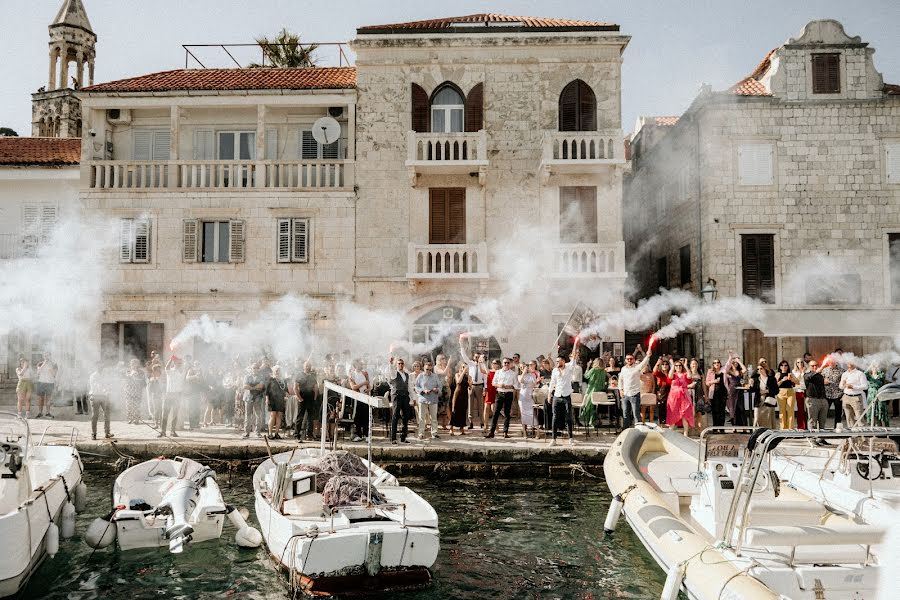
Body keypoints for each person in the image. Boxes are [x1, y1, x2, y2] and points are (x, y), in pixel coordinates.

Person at [547, 339, 580, 446]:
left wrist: (575, 344)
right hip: (557, 396)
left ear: (563, 361)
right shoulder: (555, 371)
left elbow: (574, 356)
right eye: (556, 361)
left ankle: (571, 438)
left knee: (568, 417)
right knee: (555, 417)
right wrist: (549, 394)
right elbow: (552, 383)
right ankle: (554, 439)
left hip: (566, 396)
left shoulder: (569, 367)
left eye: (558, 361)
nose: (556, 363)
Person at [619, 342, 653, 429]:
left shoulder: (637, 367)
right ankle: (625, 430)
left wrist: (648, 356)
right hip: (625, 394)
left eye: (631, 359)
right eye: (628, 359)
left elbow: (644, 363)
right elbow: (620, 380)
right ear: (625, 360)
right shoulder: (623, 369)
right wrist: (620, 390)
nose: (629, 360)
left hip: (635, 394)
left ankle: (638, 430)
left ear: (633, 359)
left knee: (636, 414)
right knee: (625, 413)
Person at [487, 357, 520, 439]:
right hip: (499, 393)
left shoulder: (513, 373)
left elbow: (516, 385)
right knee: (495, 413)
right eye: (505, 362)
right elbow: (493, 383)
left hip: (508, 393)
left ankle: (505, 432)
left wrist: (510, 386)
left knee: (507, 413)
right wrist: (499, 385)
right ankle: (492, 432)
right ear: (502, 363)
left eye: (507, 363)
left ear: (510, 364)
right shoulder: (498, 372)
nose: (506, 364)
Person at [460, 337, 486, 429]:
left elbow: (485, 377)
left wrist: (484, 388)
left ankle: (482, 422)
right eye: (476, 357)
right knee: (470, 405)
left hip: (479, 386)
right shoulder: (470, 363)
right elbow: (464, 356)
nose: (477, 358)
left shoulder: (483, 365)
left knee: (480, 405)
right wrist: (461, 346)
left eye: (478, 357)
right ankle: (471, 423)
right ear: (473, 357)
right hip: (471, 386)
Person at [388, 355, 413, 444]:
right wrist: (391, 363)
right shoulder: (394, 373)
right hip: (397, 396)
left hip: (405, 396)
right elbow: (391, 370)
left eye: (402, 363)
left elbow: (409, 387)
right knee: (395, 416)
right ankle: (393, 438)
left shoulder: (407, 375)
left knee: (405, 417)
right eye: (399, 363)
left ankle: (403, 437)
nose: (400, 365)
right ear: (397, 365)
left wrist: (413, 399)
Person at [666, 360, 694, 435]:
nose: (678, 367)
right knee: (673, 415)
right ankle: (670, 434)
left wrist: (685, 365)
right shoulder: (673, 374)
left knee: (685, 414)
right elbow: (669, 376)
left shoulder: (685, 374)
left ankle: (686, 434)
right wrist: (672, 365)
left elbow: (690, 376)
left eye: (680, 365)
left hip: (684, 397)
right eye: (677, 366)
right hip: (673, 398)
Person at [160, 356, 186, 437]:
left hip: (177, 394)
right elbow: (167, 367)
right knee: (165, 414)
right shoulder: (170, 371)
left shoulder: (182, 371)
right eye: (178, 363)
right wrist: (171, 359)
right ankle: (163, 431)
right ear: (174, 363)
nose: (179, 364)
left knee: (175, 414)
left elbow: (182, 368)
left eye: (180, 363)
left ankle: (172, 431)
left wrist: (177, 361)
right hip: (169, 394)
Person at [415, 362, 442, 440]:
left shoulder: (435, 376)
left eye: (430, 369)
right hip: (423, 399)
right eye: (427, 369)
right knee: (421, 418)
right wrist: (423, 390)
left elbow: (440, 386)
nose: (428, 371)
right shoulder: (420, 376)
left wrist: (437, 389)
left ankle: (434, 433)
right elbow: (416, 387)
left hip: (433, 399)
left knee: (434, 418)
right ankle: (421, 434)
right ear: (424, 368)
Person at [294, 361, 319, 441]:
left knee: (310, 418)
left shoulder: (313, 376)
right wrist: (299, 398)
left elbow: (315, 388)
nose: (308, 367)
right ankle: (297, 435)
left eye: (309, 366)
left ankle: (309, 435)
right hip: (302, 397)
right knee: (300, 417)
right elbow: (295, 387)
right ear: (303, 366)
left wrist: (315, 398)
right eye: (306, 366)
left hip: (311, 398)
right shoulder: (299, 375)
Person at [750, 359, 778, 429]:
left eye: (761, 368)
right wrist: (751, 385)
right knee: (757, 418)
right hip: (758, 400)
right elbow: (752, 390)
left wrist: (767, 391)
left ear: (765, 369)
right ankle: (756, 433)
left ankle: (768, 434)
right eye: (758, 369)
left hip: (768, 400)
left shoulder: (771, 379)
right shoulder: (756, 379)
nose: (759, 370)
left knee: (768, 419)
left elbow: (776, 390)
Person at [348, 360, 372, 442]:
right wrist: (363, 383)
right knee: (357, 417)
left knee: (366, 417)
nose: (361, 365)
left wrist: (368, 389)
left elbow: (369, 386)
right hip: (357, 398)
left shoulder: (365, 374)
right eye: (359, 364)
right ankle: (358, 434)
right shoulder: (352, 375)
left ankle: (366, 435)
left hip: (365, 397)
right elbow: (353, 387)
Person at [88, 363, 113, 440]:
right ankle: (94, 434)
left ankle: (107, 433)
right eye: (99, 366)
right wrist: (105, 390)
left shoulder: (106, 375)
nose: (100, 368)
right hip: (95, 396)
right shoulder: (93, 376)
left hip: (104, 397)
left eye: (101, 366)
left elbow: (108, 384)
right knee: (95, 416)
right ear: (96, 367)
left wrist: (108, 390)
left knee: (107, 415)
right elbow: (96, 385)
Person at [580, 358, 607, 429]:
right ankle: (591, 421)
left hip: (591, 390)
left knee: (587, 405)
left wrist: (588, 366)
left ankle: (584, 420)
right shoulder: (604, 372)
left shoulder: (594, 370)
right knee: (594, 407)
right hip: (599, 390)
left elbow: (586, 376)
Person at [839, 361, 868, 427]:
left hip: (856, 397)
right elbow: (840, 387)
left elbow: (865, 386)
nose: (850, 363)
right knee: (849, 418)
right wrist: (843, 384)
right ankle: (852, 435)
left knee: (859, 417)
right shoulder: (844, 374)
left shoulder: (860, 374)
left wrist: (853, 387)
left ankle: (862, 435)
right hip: (846, 397)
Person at [242, 361, 266, 439]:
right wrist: (255, 387)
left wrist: (251, 387)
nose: (255, 369)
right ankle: (246, 432)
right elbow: (245, 386)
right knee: (247, 415)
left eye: (256, 368)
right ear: (251, 369)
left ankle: (257, 432)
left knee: (258, 415)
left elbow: (261, 386)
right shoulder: (247, 376)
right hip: (248, 397)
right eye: (253, 368)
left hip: (258, 397)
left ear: (258, 369)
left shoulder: (261, 376)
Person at [803, 359, 828, 430]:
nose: (814, 367)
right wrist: (817, 371)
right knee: (812, 421)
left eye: (816, 365)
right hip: (812, 400)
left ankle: (821, 438)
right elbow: (809, 377)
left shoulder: (820, 375)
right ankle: (812, 439)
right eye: (812, 366)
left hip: (822, 399)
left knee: (822, 421)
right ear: (809, 367)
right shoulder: (806, 375)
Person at [821, 356, 845, 428]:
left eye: (833, 362)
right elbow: (820, 380)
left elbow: (843, 382)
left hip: (838, 394)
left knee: (838, 412)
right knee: (824, 412)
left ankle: (837, 428)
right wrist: (823, 382)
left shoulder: (842, 371)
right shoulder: (824, 370)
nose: (831, 363)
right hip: (827, 394)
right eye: (830, 362)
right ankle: (822, 428)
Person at [265, 366, 288, 439]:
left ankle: (276, 433)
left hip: (280, 400)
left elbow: (286, 390)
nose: (277, 372)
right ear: (273, 371)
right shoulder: (270, 380)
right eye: (276, 370)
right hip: (272, 400)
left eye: (278, 370)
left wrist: (286, 395)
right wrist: (267, 400)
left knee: (279, 416)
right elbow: (267, 392)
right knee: (273, 415)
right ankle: (270, 433)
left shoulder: (283, 380)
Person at [706, 357, 729, 427]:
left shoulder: (723, 371)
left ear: (720, 364)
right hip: (714, 393)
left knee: (722, 410)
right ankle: (715, 427)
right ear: (713, 364)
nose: (716, 364)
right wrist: (714, 381)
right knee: (715, 410)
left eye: (718, 362)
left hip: (723, 393)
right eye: (715, 363)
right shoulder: (710, 371)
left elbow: (728, 365)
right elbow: (707, 383)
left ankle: (721, 427)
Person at [518, 361, 539, 437]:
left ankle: (537, 432)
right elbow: (520, 381)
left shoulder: (532, 375)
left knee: (532, 413)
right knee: (523, 414)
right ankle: (524, 432)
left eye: (524, 366)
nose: (523, 368)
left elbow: (535, 383)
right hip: (522, 396)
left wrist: (530, 373)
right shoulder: (520, 376)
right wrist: (524, 372)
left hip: (529, 395)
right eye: (521, 367)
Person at [775, 360, 798, 429]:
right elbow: (775, 385)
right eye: (782, 365)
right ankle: (783, 428)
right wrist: (782, 380)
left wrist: (792, 379)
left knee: (790, 410)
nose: (784, 367)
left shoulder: (790, 374)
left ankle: (790, 428)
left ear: (788, 367)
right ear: (780, 367)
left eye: (785, 365)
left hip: (790, 391)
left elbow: (798, 382)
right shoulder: (778, 374)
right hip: (781, 392)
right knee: (782, 410)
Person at [34, 354, 58, 419]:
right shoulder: (40, 364)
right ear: (43, 357)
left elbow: (54, 374)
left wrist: (50, 367)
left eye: (48, 356)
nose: (47, 357)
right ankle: (40, 412)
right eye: (45, 356)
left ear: (50, 356)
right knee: (40, 399)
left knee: (48, 399)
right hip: (41, 382)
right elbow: (38, 372)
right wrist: (44, 363)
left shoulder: (54, 364)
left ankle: (48, 413)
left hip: (50, 383)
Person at [123, 358, 146, 424]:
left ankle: (136, 418)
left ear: (138, 364)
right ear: (130, 364)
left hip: (137, 391)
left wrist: (136, 377)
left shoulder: (141, 372)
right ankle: (130, 418)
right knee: (129, 405)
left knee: (137, 405)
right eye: (132, 363)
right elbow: (126, 379)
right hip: (129, 390)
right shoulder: (128, 371)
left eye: (135, 363)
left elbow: (142, 380)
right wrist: (130, 376)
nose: (134, 365)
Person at [726, 355, 747, 426]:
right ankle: (734, 426)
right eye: (733, 363)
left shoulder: (740, 371)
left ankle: (743, 426)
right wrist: (730, 359)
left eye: (736, 363)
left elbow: (745, 369)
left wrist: (739, 361)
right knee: (733, 409)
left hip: (740, 391)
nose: (735, 364)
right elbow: (725, 369)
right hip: (732, 391)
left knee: (741, 408)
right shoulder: (729, 372)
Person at [449, 363, 470, 436]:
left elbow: (470, 386)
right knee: (454, 410)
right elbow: (458, 381)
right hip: (457, 394)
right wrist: (463, 372)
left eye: (465, 367)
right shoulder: (457, 374)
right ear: (460, 368)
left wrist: (470, 380)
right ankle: (451, 428)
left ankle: (462, 428)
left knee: (463, 411)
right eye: (463, 367)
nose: (464, 368)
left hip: (464, 395)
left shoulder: (467, 376)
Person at [688, 358, 707, 432]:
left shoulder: (701, 375)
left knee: (699, 413)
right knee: (690, 414)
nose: (694, 365)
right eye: (693, 364)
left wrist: (706, 396)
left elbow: (704, 386)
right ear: (690, 365)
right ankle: (689, 430)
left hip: (699, 396)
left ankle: (700, 431)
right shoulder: (688, 374)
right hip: (690, 395)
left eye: (695, 364)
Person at [792, 358, 809, 429]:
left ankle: (808, 426)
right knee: (800, 409)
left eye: (801, 362)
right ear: (796, 363)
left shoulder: (807, 370)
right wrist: (802, 373)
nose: (800, 364)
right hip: (799, 390)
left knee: (808, 409)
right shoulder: (794, 371)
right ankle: (801, 426)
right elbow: (797, 380)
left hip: (807, 390)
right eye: (798, 362)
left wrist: (805, 371)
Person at [484, 359, 500, 432]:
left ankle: (496, 426)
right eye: (493, 363)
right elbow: (483, 370)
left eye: (495, 363)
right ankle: (485, 426)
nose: (493, 364)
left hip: (495, 391)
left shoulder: (499, 372)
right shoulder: (489, 371)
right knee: (486, 408)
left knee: (494, 409)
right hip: (489, 391)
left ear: (498, 364)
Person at [653, 357, 671, 424]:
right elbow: (654, 371)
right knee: (661, 409)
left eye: (666, 364)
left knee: (669, 409)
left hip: (670, 392)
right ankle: (662, 424)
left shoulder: (671, 373)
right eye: (663, 364)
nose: (665, 366)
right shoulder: (660, 374)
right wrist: (658, 363)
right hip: (661, 393)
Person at [147, 362, 164, 429]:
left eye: (158, 370)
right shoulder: (152, 379)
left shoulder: (162, 378)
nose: (158, 372)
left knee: (162, 410)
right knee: (156, 410)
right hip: (155, 396)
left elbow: (163, 387)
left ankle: (161, 424)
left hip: (162, 396)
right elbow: (150, 389)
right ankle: (156, 423)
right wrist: (153, 381)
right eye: (155, 370)